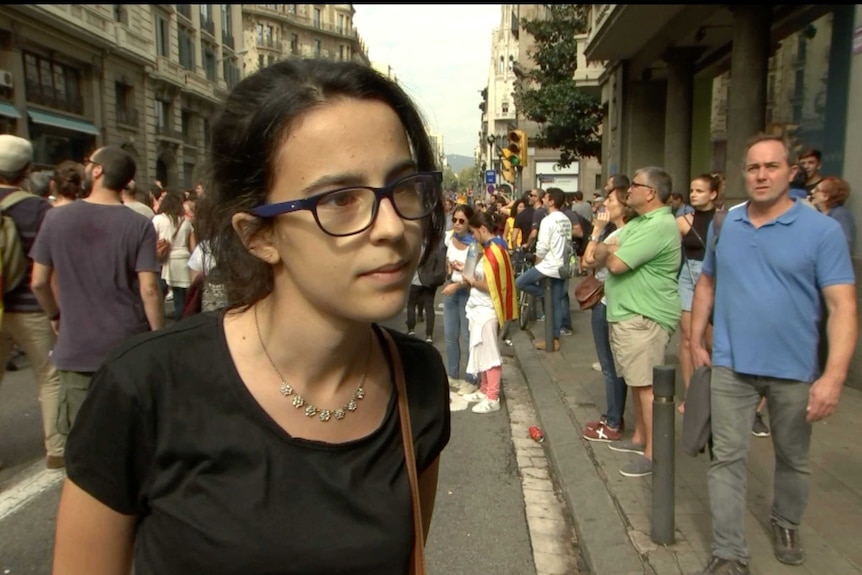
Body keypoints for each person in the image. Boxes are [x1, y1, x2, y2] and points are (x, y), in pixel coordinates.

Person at [52, 59, 451, 574]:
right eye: (340, 199)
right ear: (258, 236)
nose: (393, 228)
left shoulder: (417, 381)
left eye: (403, 186)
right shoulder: (147, 385)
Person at [690, 135, 857, 574]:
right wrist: (694, 340)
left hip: (793, 370)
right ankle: (729, 552)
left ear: (790, 172)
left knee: (793, 457)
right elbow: (706, 283)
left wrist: (834, 377)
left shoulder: (822, 231)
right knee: (725, 457)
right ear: (743, 174)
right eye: (753, 168)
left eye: (771, 167)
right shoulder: (726, 225)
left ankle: (786, 521)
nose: (761, 175)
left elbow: (843, 306)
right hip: (730, 365)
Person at [30, 146, 163, 436]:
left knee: (83, 440)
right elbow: (149, 290)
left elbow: (38, 281)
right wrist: (158, 337)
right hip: (128, 344)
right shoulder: (140, 224)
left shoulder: (56, 218)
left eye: (88, 162)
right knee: (130, 434)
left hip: (77, 346)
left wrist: (55, 314)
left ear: (98, 171)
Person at [591, 167, 681, 478]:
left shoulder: (658, 225)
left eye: (636, 185)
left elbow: (614, 263)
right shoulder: (641, 223)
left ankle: (654, 454)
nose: (628, 190)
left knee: (647, 388)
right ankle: (641, 438)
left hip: (644, 316)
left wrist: (608, 251)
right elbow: (599, 255)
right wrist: (607, 249)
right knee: (637, 382)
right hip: (629, 314)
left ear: (651, 192)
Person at [0, 135, 65, 470]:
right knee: (49, 376)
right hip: (31, 307)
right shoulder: (38, 208)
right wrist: (56, 309)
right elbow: (48, 267)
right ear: (25, 170)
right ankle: (56, 448)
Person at [581, 176, 635, 443]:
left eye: (611, 200)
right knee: (611, 364)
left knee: (610, 365)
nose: (605, 204)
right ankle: (612, 414)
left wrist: (595, 230)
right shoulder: (615, 232)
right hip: (607, 299)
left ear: (624, 205)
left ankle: (614, 422)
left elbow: (588, 261)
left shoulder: (619, 234)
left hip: (609, 302)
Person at [460, 211, 518, 414]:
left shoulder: (493, 252)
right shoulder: (493, 249)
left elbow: (490, 285)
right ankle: (485, 390)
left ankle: (492, 396)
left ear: (483, 229)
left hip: (486, 310)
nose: (473, 236)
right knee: (482, 351)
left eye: (474, 232)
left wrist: (471, 281)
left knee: (490, 353)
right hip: (480, 308)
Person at [515, 187, 572, 351]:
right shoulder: (565, 219)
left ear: (552, 201)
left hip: (548, 265)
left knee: (521, 281)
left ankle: (544, 295)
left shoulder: (548, 220)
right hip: (563, 266)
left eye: (546, 197)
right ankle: (553, 339)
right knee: (555, 303)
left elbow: (542, 247)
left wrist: (538, 264)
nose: (543, 200)